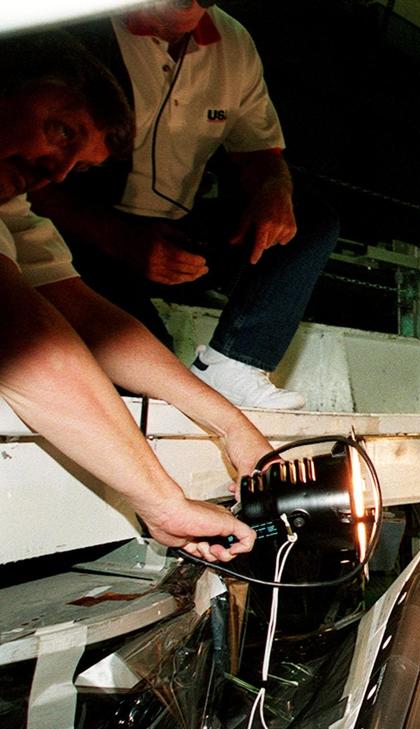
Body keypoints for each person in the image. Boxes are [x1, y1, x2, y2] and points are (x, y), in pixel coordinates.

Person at [0, 28, 266, 562]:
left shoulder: (11, 207)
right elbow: (25, 337)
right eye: (61, 130)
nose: (56, 170)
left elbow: (89, 316)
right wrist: (163, 501)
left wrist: (235, 427)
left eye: (79, 166)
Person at [30, 0, 339, 410]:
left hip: (177, 235)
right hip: (84, 237)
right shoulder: (77, 26)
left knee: (311, 217)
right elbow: (25, 178)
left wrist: (274, 188)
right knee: (145, 382)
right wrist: (119, 239)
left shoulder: (234, 42)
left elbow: (260, 153)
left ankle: (232, 362)